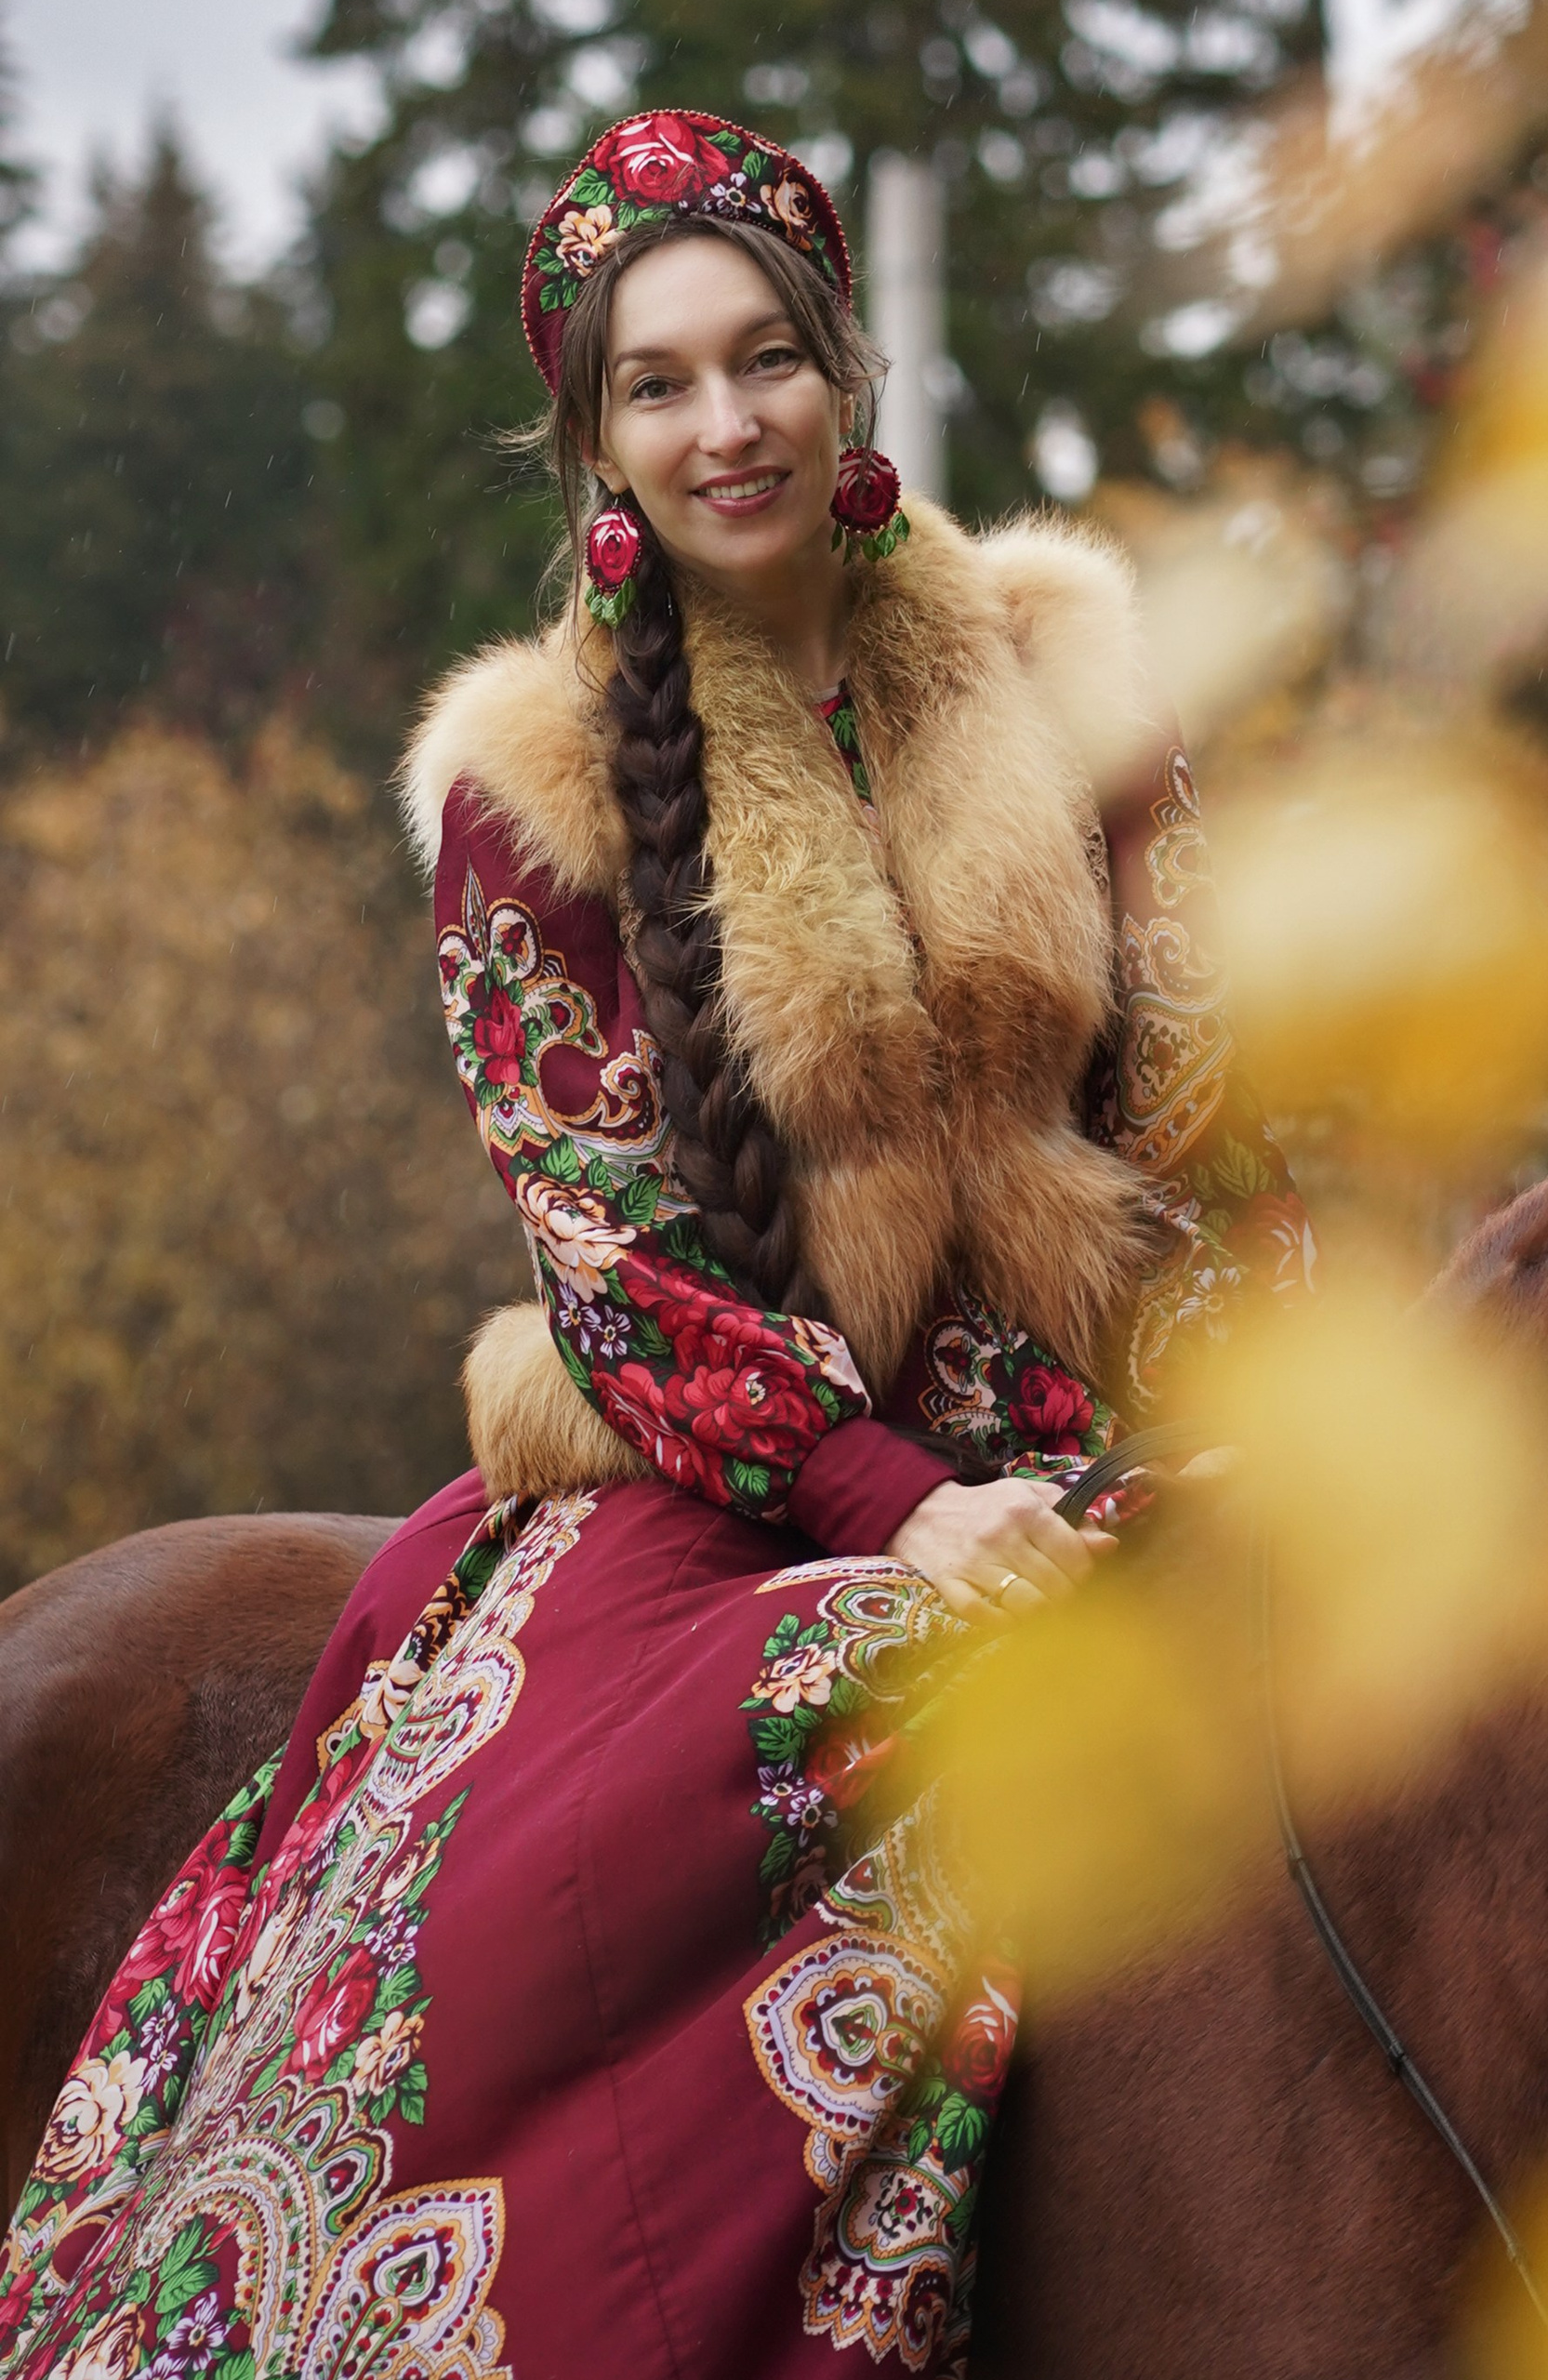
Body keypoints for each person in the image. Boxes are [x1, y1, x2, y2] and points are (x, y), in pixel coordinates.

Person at [0, 109, 1313, 2379]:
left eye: (764, 360)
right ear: (593, 437)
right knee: (666, 1864)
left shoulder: (1076, 682)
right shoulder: (534, 791)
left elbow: (1214, 1114)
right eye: (659, 382)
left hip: (1122, 1420)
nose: (728, 424)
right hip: (738, 1477)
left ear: (846, 376)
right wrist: (919, 1513)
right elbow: (623, 1271)